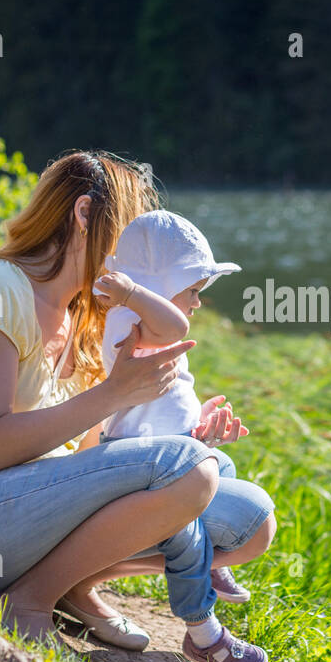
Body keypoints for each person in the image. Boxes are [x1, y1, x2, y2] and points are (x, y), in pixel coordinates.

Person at [0, 151, 274, 662]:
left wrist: (181, 434)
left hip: (29, 519)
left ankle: (70, 582)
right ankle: (25, 601)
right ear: (82, 215)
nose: (131, 257)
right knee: (191, 470)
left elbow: (88, 459)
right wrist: (115, 395)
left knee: (250, 521)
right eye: (126, 234)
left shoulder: (85, 317)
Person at [93, 210, 257, 610]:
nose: (198, 302)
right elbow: (175, 328)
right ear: (157, 286)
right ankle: (200, 621)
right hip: (140, 459)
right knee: (188, 531)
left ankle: (213, 566)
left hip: (170, 446)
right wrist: (132, 292)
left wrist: (196, 422)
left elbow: (159, 399)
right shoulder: (127, 319)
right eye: (192, 290)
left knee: (224, 467)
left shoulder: (147, 320)